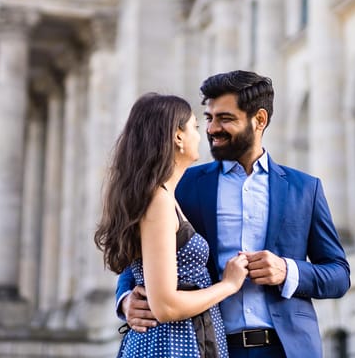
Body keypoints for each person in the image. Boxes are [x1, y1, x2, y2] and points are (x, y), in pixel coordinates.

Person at [117, 71, 350, 357]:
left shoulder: (304, 189)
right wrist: (126, 299)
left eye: (225, 118)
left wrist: (287, 271)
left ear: (259, 120)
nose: (212, 128)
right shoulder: (183, 186)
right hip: (208, 345)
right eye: (209, 117)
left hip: (286, 348)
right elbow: (140, 255)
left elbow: (338, 274)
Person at [95, 93, 250, 357]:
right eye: (195, 128)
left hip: (180, 340)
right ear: (178, 137)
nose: (202, 136)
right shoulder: (159, 202)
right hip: (171, 345)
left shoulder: (164, 198)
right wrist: (229, 285)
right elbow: (165, 306)